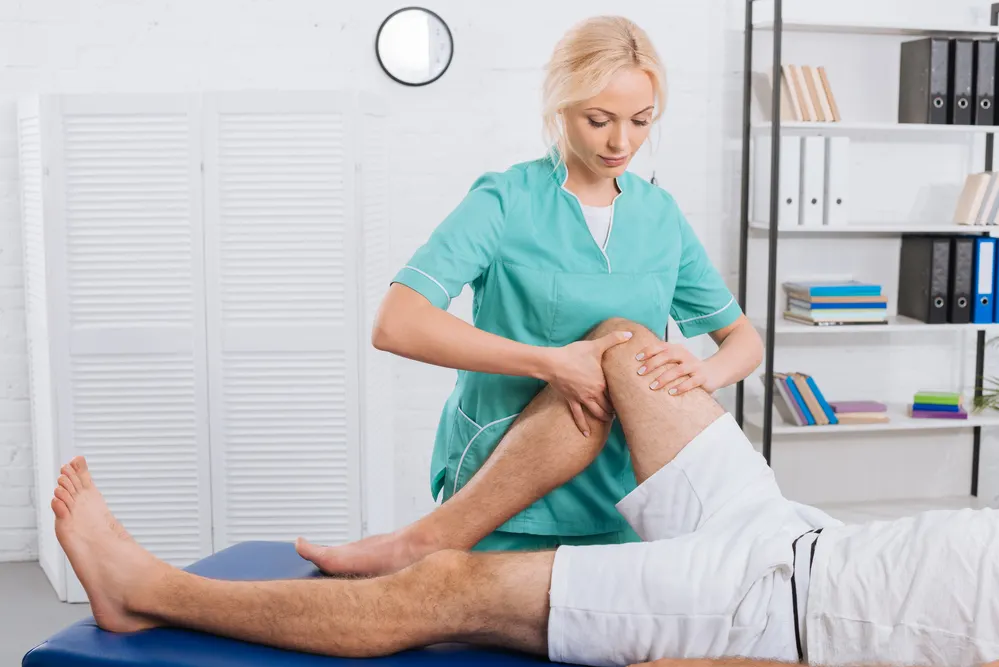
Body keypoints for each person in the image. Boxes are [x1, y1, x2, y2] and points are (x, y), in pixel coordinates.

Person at [52, 317, 999, 667]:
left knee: (448, 592)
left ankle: (144, 591)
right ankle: (429, 531)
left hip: (768, 610)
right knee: (623, 345)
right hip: (797, 533)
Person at [298, 14, 764, 568]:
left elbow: (743, 340)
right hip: (499, 497)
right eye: (599, 120)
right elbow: (398, 323)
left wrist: (705, 373)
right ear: (560, 106)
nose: (622, 142)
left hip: (620, 498)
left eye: (641, 121)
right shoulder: (505, 201)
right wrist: (549, 363)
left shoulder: (660, 215)